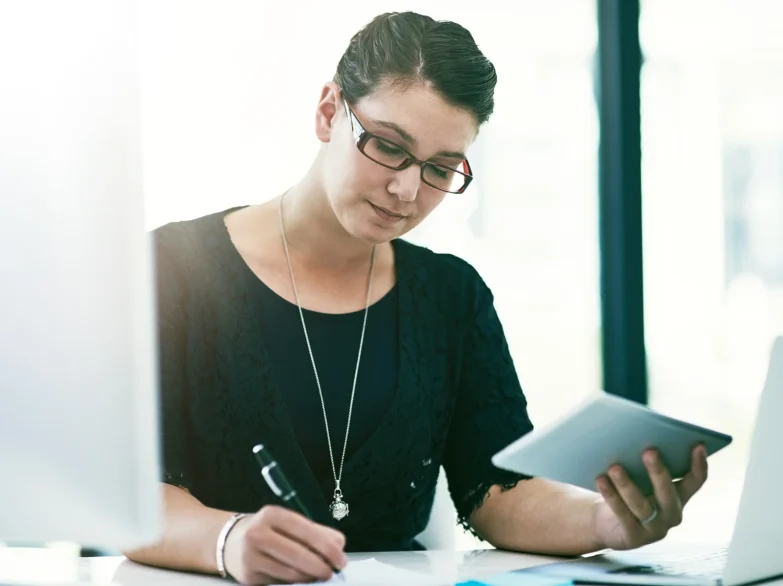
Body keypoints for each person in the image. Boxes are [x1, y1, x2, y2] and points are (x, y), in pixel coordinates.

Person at [123, 11, 709, 586]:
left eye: (441, 168)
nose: (406, 189)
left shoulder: (450, 297)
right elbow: (122, 487)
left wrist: (604, 520)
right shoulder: (173, 270)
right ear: (329, 112)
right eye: (386, 146)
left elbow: (495, 490)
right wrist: (228, 541)